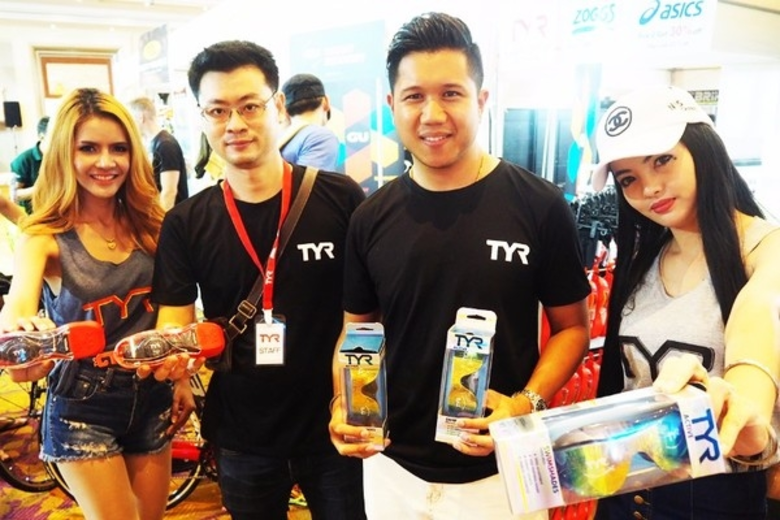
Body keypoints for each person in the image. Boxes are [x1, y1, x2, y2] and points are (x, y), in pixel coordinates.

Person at [328, 12, 591, 520]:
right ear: (392, 105)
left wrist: (523, 404)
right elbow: (356, 330)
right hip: (390, 469)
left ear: (481, 100)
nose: (432, 114)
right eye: (414, 96)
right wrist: (342, 403)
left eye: (451, 93)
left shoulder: (539, 205)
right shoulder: (370, 217)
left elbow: (572, 329)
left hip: (500, 472)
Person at [150, 40, 367, 519]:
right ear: (203, 117)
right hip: (243, 433)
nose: (235, 124)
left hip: (335, 424)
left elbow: (371, 314)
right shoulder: (187, 222)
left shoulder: (341, 199)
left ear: (278, 106)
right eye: (218, 110)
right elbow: (175, 322)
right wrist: (174, 357)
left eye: (250, 106)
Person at [0, 88, 194, 520]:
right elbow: (16, 311)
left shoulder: (155, 226)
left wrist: (182, 380)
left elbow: (176, 310)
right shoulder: (44, 236)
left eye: (118, 148)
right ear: (64, 154)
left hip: (153, 394)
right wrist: (21, 337)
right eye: (88, 148)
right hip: (82, 403)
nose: (106, 162)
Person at [591, 85, 780, 519]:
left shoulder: (765, 250)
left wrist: (745, 407)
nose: (649, 187)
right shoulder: (645, 260)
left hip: (714, 499)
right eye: (628, 179)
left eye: (662, 159)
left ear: (703, 148)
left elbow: (761, 311)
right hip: (625, 489)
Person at [128, 97, 189, 210]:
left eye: (131, 120)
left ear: (140, 117)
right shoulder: (154, 143)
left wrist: (160, 219)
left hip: (173, 216)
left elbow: (169, 192)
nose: (130, 125)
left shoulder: (166, 145)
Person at [279, 73, 340, 171]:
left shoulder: (278, 139)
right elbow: (310, 181)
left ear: (285, 110)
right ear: (326, 101)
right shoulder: (320, 138)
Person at [10, 115, 49, 214]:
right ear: (42, 136)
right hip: (34, 213)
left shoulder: (63, 156)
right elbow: (14, 195)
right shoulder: (22, 160)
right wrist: (39, 189)